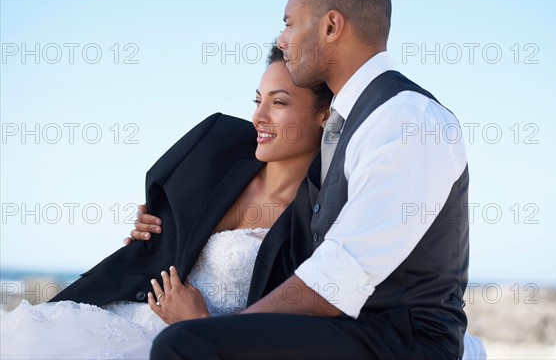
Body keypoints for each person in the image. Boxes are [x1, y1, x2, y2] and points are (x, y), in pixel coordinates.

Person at [149, 0, 477, 359]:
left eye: (289, 24)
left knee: (185, 345)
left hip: (402, 344)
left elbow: (339, 277)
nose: (283, 41)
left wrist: (227, 333)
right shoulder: (341, 125)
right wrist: (166, 221)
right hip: (347, 331)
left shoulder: (406, 119)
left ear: (331, 26)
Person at [0, 45, 332, 359]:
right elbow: (165, 227)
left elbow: (289, 330)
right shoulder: (216, 151)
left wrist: (203, 326)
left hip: (189, 345)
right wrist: (149, 234)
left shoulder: (318, 219)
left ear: (324, 114)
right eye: (257, 100)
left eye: (279, 103)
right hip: (119, 313)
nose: (259, 116)